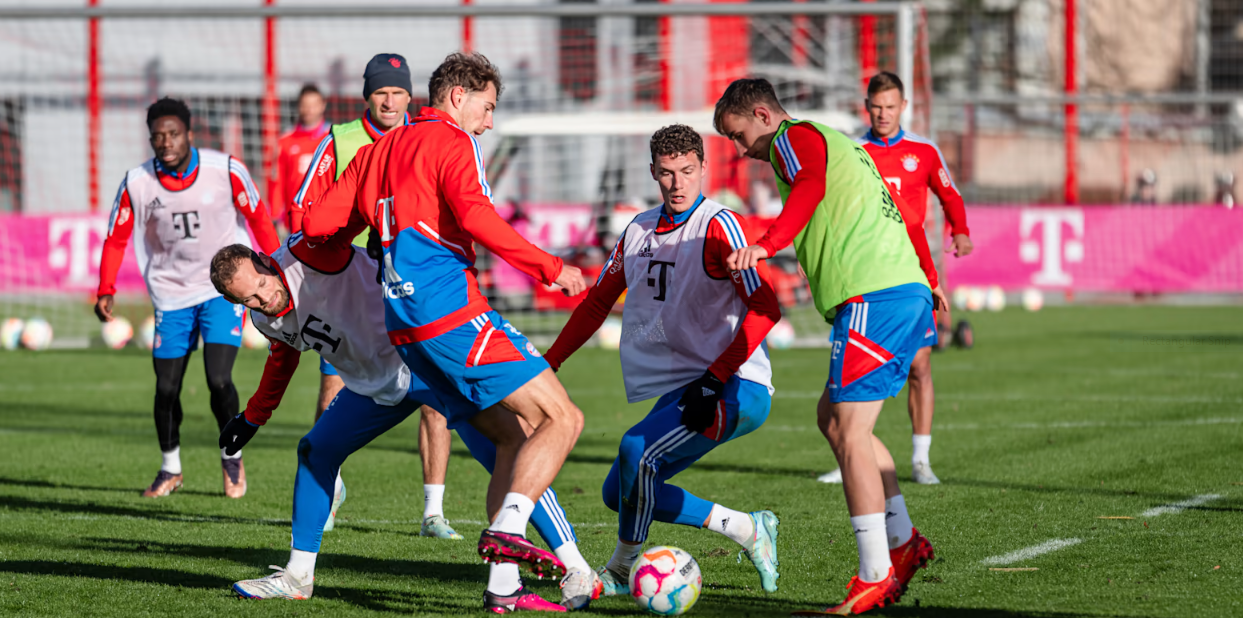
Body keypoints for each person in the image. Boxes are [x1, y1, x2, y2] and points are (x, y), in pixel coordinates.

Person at [302, 52, 591, 613]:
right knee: (563, 418)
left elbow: (318, 225)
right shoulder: (454, 143)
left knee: (508, 437)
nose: (487, 122)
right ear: (457, 97)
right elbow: (478, 215)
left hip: (404, 331)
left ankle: (503, 590)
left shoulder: (377, 149)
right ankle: (511, 527)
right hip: (453, 317)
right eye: (487, 108)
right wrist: (551, 268)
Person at [209, 235, 597, 610]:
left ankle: (578, 568)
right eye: (250, 299)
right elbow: (282, 359)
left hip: (424, 362)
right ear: (234, 301)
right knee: (315, 451)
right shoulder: (262, 318)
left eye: (262, 284)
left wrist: (382, 230)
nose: (265, 299)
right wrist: (253, 416)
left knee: (507, 452)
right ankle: (297, 577)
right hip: (372, 387)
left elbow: (345, 220)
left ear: (265, 261)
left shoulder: (307, 254)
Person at [714, 78, 945, 615]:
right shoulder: (827, 141)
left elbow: (811, 188)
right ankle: (902, 540)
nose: (737, 146)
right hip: (894, 291)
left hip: (875, 293)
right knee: (833, 419)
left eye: (737, 132)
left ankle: (874, 573)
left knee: (849, 427)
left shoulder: (795, 138)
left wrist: (767, 245)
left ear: (763, 114)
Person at [544, 125, 783, 596]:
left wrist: (715, 380)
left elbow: (767, 308)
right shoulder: (637, 229)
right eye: (668, 173)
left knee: (637, 450)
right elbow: (596, 304)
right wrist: (549, 363)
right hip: (689, 385)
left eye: (688, 172)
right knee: (621, 492)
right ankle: (746, 528)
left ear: (704, 169)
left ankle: (619, 569)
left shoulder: (719, 225)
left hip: (737, 385)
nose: (678, 184)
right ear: (653, 171)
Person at [288, 54, 462, 539]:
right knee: (334, 387)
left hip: (418, 287)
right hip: (355, 290)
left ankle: (433, 511)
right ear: (367, 96)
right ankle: (330, 479)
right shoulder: (343, 141)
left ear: (411, 97)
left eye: (398, 92)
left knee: (435, 394)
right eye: (381, 92)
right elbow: (306, 209)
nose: (390, 100)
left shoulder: (431, 137)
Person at [94, 97, 281, 499]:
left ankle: (232, 455)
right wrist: (106, 287)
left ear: (189, 134)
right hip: (170, 294)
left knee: (218, 379)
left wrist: (276, 267)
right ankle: (170, 468)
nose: (166, 142)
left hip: (221, 291)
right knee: (166, 388)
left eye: (173, 134)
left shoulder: (226, 170)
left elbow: (259, 217)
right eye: (158, 136)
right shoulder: (137, 183)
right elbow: (116, 238)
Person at [817, 71, 971, 486]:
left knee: (920, 365)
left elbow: (949, 193)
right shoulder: (853, 151)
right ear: (866, 107)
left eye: (890, 106)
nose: (883, 114)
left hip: (912, 269)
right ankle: (852, 449)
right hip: (865, 268)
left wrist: (960, 230)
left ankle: (920, 459)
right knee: (855, 363)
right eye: (876, 106)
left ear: (904, 107)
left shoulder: (922, 150)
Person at [270, 83, 329, 234]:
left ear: (323, 105)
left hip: (327, 216)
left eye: (313, 105)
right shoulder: (285, 141)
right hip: (295, 219)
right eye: (305, 105)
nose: (309, 110)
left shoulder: (333, 138)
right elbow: (277, 181)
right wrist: (276, 215)